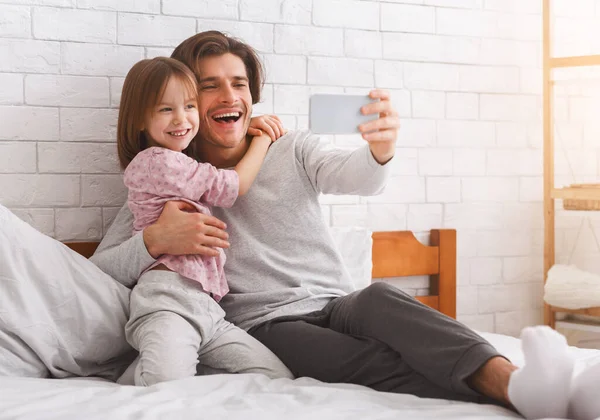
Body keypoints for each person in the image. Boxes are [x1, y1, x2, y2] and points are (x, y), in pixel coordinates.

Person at [91, 31, 600, 420]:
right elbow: (102, 268)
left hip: (338, 301)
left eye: (239, 83)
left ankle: (522, 381)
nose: (229, 95)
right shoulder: (169, 179)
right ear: (184, 99)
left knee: (385, 300)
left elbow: (356, 176)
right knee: (365, 361)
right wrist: (153, 241)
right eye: (209, 85)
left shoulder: (291, 148)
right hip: (269, 324)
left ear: (253, 94)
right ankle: (514, 395)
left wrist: (380, 149)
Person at [112, 56, 292, 385]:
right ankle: (145, 372)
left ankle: (139, 371)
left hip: (207, 309)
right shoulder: (159, 162)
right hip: (168, 302)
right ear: (139, 119)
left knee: (276, 377)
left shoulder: (181, 164)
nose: (181, 119)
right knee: (166, 388)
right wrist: (262, 138)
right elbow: (233, 185)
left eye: (190, 106)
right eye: (166, 109)